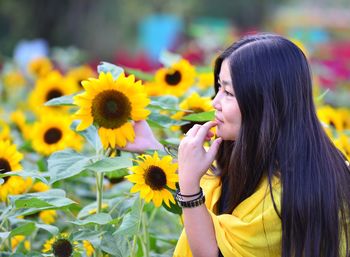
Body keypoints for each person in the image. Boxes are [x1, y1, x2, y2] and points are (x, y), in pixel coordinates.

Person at [122, 33, 350, 257]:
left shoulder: (285, 194)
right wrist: (153, 149)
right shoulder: (273, 156)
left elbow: (213, 251)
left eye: (228, 92)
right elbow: (211, 184)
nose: (215, 102)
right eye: (219, 87)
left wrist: (189, 186)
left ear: (264, 104)